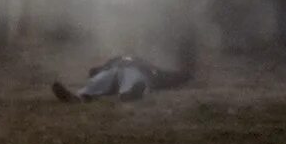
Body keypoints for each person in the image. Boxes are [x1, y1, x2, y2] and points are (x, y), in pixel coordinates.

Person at [51, 53, 193, 102]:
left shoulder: (146, 65)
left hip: (137, 73)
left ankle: (130, 94)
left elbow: (166, 76)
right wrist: (97, 72)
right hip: (113, 71)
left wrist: (185, 75)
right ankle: (78, 97)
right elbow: (94, 71)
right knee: (100, 79)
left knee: (133, 77)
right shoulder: (114, 61)